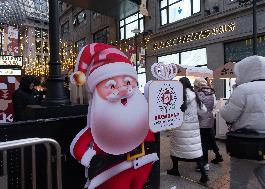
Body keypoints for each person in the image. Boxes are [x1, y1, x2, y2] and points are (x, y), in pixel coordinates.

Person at [70, 43, 158, 189]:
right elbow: (78, 148)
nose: (123, 89)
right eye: (111, 86)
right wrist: (92, 160)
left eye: (128, 82)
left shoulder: (142, 114)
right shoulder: (100, 126)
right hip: (114, 172)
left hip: (144, 164)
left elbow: (155, 127)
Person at [220, 55, 265, 189]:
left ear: (245, 70)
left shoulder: (243, 89)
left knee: (238, 184)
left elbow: (228, 116)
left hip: (244, 145)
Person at [167, 77, 209, 186]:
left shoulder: (177, 95)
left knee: (175, 150)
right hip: (193, 130)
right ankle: (204, 175)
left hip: (179, 129)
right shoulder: (195, 95)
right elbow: (203, 111)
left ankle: (175, 169)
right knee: (195, 152)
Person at [194, 78, 223, 171]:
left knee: (203, 143)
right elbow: (214, 105)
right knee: (211, 139)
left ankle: (204, 163)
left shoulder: (199, 94)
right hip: (210, 119)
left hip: (202, 121)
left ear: (197, 85)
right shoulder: (211, 92)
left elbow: (198, 109)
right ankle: (218, 156)